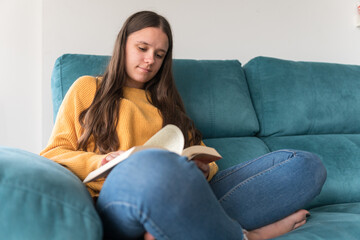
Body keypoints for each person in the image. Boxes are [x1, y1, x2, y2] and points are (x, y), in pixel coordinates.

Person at [41, 11, 327, 240]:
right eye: (142, 48)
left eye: (160, 54)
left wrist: (204, 167)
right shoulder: (88, 88)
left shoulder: (167, 104)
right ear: (123, 44)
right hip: (119, 196)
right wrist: (101, 160)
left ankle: (171, 228)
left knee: (304, 165)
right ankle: (246, 236)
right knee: (152, 164)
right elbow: (54, 153)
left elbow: (199, 151)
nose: (150, 59)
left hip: (185, 194)